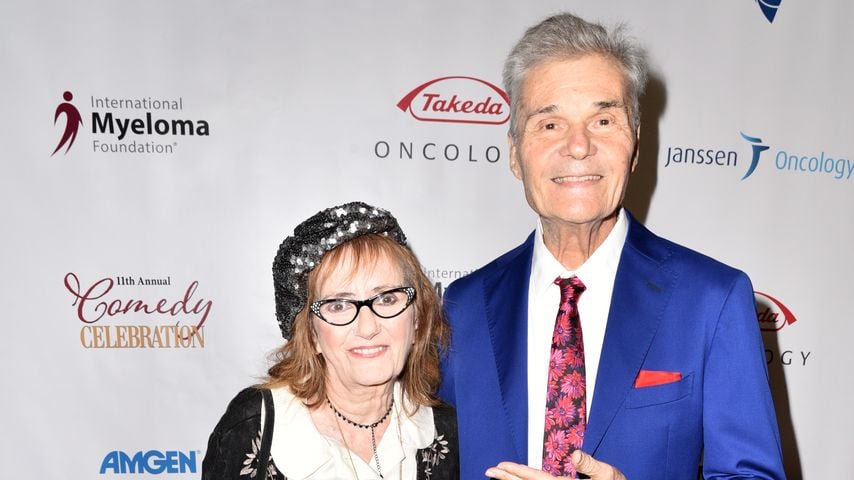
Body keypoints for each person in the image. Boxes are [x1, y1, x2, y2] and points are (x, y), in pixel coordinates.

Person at [438, 12, 785, 480]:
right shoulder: (463, 308)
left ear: (636, 146)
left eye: (603, 120)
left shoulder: (712, 300)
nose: (578, 146)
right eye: (549, 124)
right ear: (515, 153)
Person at [203, 201, 459, 479]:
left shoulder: (444, 430)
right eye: (339, 305)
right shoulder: (255, 425)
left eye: (387, 299)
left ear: (417, 319)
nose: (368, 327)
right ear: (311, 334)